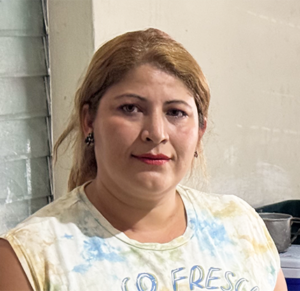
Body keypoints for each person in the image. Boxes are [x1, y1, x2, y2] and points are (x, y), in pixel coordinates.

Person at [0, 28, 287, 291]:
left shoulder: (241, 226)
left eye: (175, 112)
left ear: (200, 131)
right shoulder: (30, 257)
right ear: (89, 120)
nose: (156, 133)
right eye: (130, 108)